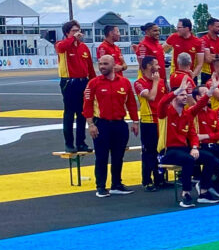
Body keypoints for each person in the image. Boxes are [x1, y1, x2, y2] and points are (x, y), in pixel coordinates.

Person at [156, 84, 219, 206]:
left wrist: (195, 147)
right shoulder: (165, 113)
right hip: (168, 151)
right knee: (188, 160)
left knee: (210, 158)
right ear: (174, 97)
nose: (185, 96)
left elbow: (192, 135)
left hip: (184, 149)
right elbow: (162, 103)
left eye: (186, 94)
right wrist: (176, 90)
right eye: (181, 94)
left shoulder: (187, 115)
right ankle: (186, 193)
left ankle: (203, 192)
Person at [84, 55, 139, 197]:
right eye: (100, 64)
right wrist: (90, 125)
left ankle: (116, 184)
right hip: (101, 125)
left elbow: (131, 103)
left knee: (118, 156)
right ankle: (101, 187)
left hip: (119, 125)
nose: (102, 66)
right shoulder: (93, 83)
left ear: (113, 65)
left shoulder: (125, 82)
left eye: (105, 64)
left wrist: (135, 121)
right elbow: (87, 105)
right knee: (101, 157)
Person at [56, 20, 95, 152]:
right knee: (69, 113)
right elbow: (61, 48)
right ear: (67, 33)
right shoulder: (62, 45)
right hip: (69, 82)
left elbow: (89, 66)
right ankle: (69, 143)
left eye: (78, 30)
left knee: (82, 113)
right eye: (73, 31)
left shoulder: (83, 47)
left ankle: (81, 142)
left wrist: (93, 82)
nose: (77, 33)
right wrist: (72, 39)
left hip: (83, 82)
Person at [134, 56, 169, 191]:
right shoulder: (139, 82)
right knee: (149, 152)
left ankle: (160, 179)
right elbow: (152, 97)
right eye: (156, 64)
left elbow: (165, 100)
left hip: (161, 120)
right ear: (149, 66)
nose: (159, 66)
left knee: (161, 150)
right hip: (148, 121)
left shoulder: (161, 81)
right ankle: (147, 181)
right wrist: (155, 82)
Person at [200, 18, 219, 83]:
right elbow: (208, 59)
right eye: (218, 26)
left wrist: (214, 56)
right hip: (208, 73)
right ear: (210, 27)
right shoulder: (204, 40)